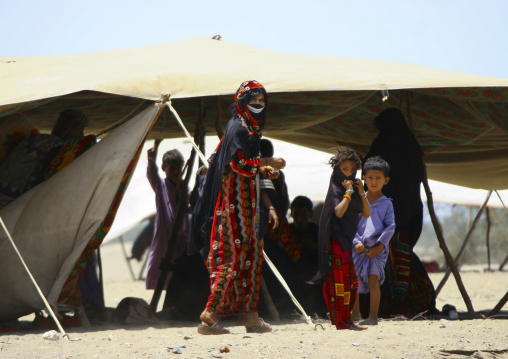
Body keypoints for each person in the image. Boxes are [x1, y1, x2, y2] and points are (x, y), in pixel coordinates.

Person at [190, 80, 286, 335]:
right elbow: (239, 163)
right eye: (253, 101)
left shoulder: (247, 129)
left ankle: (252, 317)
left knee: (252, 257)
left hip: (248, 204)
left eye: (262, 101)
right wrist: (269, 161)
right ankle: (210, 313)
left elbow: (220, 157)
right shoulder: (240, 127)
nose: (258, 105)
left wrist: (263, 168)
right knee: (232, 257)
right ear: (242, 103)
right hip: (234, 206)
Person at [365, 108, 438, 317]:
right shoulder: (412, 145)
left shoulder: (382, 144)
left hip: (388, 214)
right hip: (411, 213)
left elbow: (370, 173)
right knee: (403, 255)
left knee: (387, 258)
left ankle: (390, 303)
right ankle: (411, 300)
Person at [309, 147, 370, 330]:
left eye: (352, 170)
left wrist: (360, 192)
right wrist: (348, 193)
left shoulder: (353, 190)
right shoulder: (336, 189)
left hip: (346, 244)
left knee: (351, 282)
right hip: (334, 243)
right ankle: (342, 322)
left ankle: (347, 319)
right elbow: (339, 211)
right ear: (337, 169)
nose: (349, 173)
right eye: (345, 169)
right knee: (339, 283)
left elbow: (366, 213)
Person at [0, 108, 95, 209]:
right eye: (80, 129)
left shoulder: (37, 138)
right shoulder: (57, 147)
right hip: (15, 202)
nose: (82, 134)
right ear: (70, 128)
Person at [351, 156, 395, 325]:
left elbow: (390, 227)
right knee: (354, 279)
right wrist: (356, 241)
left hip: (377, 250)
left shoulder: (386, 204)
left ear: (386, 180)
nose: (374, 181)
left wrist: (379, 246)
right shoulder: (357, 201)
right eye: (370, 177)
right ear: (363, 178)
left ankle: (373, 317)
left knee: (373, 280)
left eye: (378, 178)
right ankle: (355, 313)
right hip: (359, 248)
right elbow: (352, 224)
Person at [145, 140, 189, 291]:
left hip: (182, 231)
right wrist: (154, 150)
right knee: (162, 258)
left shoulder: (184, 186)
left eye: (179, 168)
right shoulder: (161, 185)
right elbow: (151, 172)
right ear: (164, 168)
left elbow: (191, 204)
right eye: (172, 168)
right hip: (166, 229)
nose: (176, 172)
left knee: (181, 262)